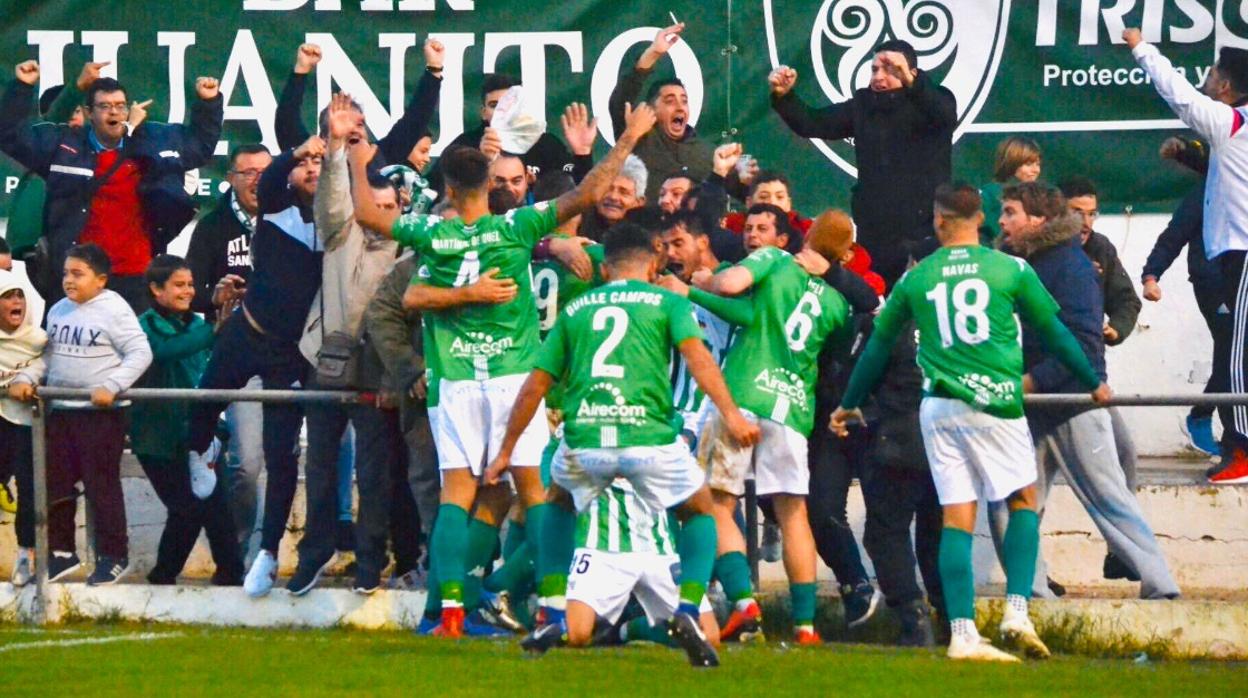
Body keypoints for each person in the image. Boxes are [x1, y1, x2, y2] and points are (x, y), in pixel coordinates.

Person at [349, 103, 659, 638]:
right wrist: (629, 137)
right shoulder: (518, 226)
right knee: (535, 494)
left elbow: (368, 216)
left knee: (458, 497)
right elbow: (587, 193)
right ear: (489, 182)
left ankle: (448, 612)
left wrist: (355, 161)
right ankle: (552, 609)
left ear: (446, 184)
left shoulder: (433, 234)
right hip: (515, 378)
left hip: (455, 378)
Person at [832, 184, 1111, 663]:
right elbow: (1055, 331)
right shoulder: (1010, 268)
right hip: (996, 403)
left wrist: (848, 403)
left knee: (956, 517)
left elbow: (878, 347)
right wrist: (1093, 380)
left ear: (939, 221)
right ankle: (1016, 614)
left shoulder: (917, 279)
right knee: (1024, 500)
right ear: (979, 218)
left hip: (939, 409)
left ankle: (962, 633)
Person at [484, 222, 761, 667]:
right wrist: (730, 414)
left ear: (606, 268)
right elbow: (699, 358)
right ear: (653, 263)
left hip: (586, 437)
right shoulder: (668, 301)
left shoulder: (578, 311)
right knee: (700, 510)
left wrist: (505, 449)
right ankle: (688, 608)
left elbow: (536, 383)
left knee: (555, 503)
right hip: (648, 438)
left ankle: (552, 605)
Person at [673, 204, 853, 645]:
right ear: (844, 257)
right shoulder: (837, 305)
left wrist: (698, 286)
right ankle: (805, 626)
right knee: (794, 513)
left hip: (744, 395)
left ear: (804, 239)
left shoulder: (774, 260)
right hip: (792, 408)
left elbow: (734, 286)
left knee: (715, 501)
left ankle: (744, 602)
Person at [995, 182, 1180, 601]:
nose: (1002, 222)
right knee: (1013, 505)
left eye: (1010, 212)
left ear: (1037, 219)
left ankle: (1162, 587)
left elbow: (1082, 343)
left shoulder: (1067, 266)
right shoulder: (1025, 263)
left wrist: (1029, 381)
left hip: (1070, 402)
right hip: (1032, 406)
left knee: (1108, 498)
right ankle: (1031, 593)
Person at [183, 134, 325, 598]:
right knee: (205, 400)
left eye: (320, 165)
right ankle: (199, 452)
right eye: (305, 165)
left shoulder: (336, 223)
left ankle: (267, 553)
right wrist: (298, 150)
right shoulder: (275, 211)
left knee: (282, 456)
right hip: (247, 331)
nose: (311, 170)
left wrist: (337, 153)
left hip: (291, 354)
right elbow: (271, 182)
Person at [287, 95, 408, 596]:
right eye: (372, 207)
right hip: (328, 364)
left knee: (376, 475)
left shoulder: (411, 255)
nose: (379, 214)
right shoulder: (343, 237)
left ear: (401, 210)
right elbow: (332, 201)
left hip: (380, 373)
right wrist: (336, 145)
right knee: (318, 470)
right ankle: (312, 555)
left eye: (389, 207)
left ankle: (370, 563)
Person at [0, 60, 223, 310]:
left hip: (136, 276)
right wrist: (22, 87)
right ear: (89, 112)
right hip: (81, 276)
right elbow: (11, 137)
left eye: (119, 106)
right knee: (72, 348)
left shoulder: (152, 140)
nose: (114, 112)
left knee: (135, 348)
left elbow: (200, 147)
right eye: (105, 106)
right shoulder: (64, 146)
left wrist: (208, 103)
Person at [1126, 27, 1248, 484]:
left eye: (1214, 72)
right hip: (1232, 254)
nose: (1208, 77)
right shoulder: (1235, 134)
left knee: (1236, 353)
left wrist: (1141, 48)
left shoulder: (1232, 122)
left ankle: (1241, 451)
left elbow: (1179, 96)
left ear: (1226, 88)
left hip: (1242, 254)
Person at [770, 40, 956, 285]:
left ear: (912, 72)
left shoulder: (935, 102)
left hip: (924, 230)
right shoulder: (864, 106)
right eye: (874, 69)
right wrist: (784, 96)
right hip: (876, 232)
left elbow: (945, 115)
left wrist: (914, 82)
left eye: (890, 70)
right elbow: (813, 122)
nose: (879, 76)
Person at [43, 243, 153, 585]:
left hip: (100, 415)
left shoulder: (114, 310)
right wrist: (30, 376)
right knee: (55, 484)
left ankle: (114, 556)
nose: (69, 281)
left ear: (101, 280)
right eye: (65, 273)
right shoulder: (58, 310)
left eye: (78, 274)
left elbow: (140, 351)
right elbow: (47, 356)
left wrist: (112, 384)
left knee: (101, 486)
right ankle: (62, 553)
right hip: (60, 411)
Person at [131, 254, 244, 585]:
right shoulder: (144, 326)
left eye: (191, 285)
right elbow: (164, 351)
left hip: (201, 434)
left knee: (218, 510)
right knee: (187, 508)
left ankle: (231, 577)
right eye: (179, 285)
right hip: (158, 437)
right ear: (156, 289)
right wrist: (215, 329)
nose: (188, 291)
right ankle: (163, 576)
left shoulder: (199, 324)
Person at [184, 142, 272, 552]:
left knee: (303, 458)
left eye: (264, 171)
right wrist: (216, 297)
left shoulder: (293, 218)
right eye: (247, 172)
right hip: (239, 356)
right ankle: (240, 553)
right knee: (247, 465)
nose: (257, 179)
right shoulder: (213, 226)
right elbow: (192, 294)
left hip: (292, 354)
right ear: (230, 179)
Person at [1141, 135, 1230, 459]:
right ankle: (1203, 417)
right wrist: (1151, 275)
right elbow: (1173, 236)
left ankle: (1221, 428)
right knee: (1234, 350)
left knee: (1238, 355)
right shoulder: (1207, 192)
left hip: (1239, 279)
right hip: (1214, 281)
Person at [563, 479, 719, 650]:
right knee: (577, 634)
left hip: (659, 548)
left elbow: (699, 503)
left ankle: (626, 631)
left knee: (708, 636)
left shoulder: (668, 453)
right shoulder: (580, 452)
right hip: (601, 545)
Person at [608, 24, 741, 202]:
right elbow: (619, 103)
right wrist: (653, 54)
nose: (680, 107)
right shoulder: (638, 140)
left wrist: (744, 178)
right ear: (652, 109)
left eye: (684, 101)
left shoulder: (707, 153)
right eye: (670, 101)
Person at [276, 40, 443, 172]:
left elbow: (416, 119)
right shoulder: (310, 161)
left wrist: (434, 69)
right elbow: (286, 120)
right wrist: (301, 70)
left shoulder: (381, 156)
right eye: (343, 124)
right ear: (324, 139)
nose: (355, 130)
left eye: (359, 124)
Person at [429, 76, 592, 195]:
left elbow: (577, 196)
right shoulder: (464, 146)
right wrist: (480, 161)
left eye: (510, 105)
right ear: (483, 113)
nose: (503, 111)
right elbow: (438, 192)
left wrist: (582, 154)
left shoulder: (546, 145)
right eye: (494, 105)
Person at [0, 270, 47, 587]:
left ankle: (26, 557)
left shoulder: (39, 341)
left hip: (27, 423)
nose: (15, 302)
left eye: (19, 295)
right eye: (7, 296)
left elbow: (47, 366)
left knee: (30, 490)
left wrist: (27, 378)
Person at [979, 137, 1042, 245]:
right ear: (1011, 163)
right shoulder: (988, 195)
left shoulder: (1041, 195)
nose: (1035, 170)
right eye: (1028, 164)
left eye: (1038, 164)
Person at [576, 154, 647, 241]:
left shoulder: (645, 237)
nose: (613, 197)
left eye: (623, 192)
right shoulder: (578, 220)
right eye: (606, 189)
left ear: (639, 202)